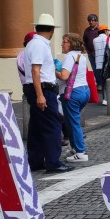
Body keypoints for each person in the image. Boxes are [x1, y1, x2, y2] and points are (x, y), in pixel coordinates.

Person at [23, 13, 73, 173]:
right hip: (43, 89)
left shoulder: (33, 43)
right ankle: (53, 162)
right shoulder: (39, 45)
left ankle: (35, 160)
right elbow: (35, 70)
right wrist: (40, 95)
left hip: (37, 88)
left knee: (37, 127)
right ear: (51, 30)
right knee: (53, 125)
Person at [57, 33, 91, 163]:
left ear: (71, 43)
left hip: (73, 93)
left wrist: (54, 69)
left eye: (64, 41)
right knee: (71, 120)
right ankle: (75, 148)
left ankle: (81, 152)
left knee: (73, 122)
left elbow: (64, 76)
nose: (62, 44)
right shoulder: (81, 56)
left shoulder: (69, 57)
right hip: (84, 91)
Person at [92, 24, 110, 106]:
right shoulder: (109, 38)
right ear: (105, 31)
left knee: (103, 81)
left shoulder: (95, 40)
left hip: (98, 64)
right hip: (108, 63)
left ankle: (104, 99)